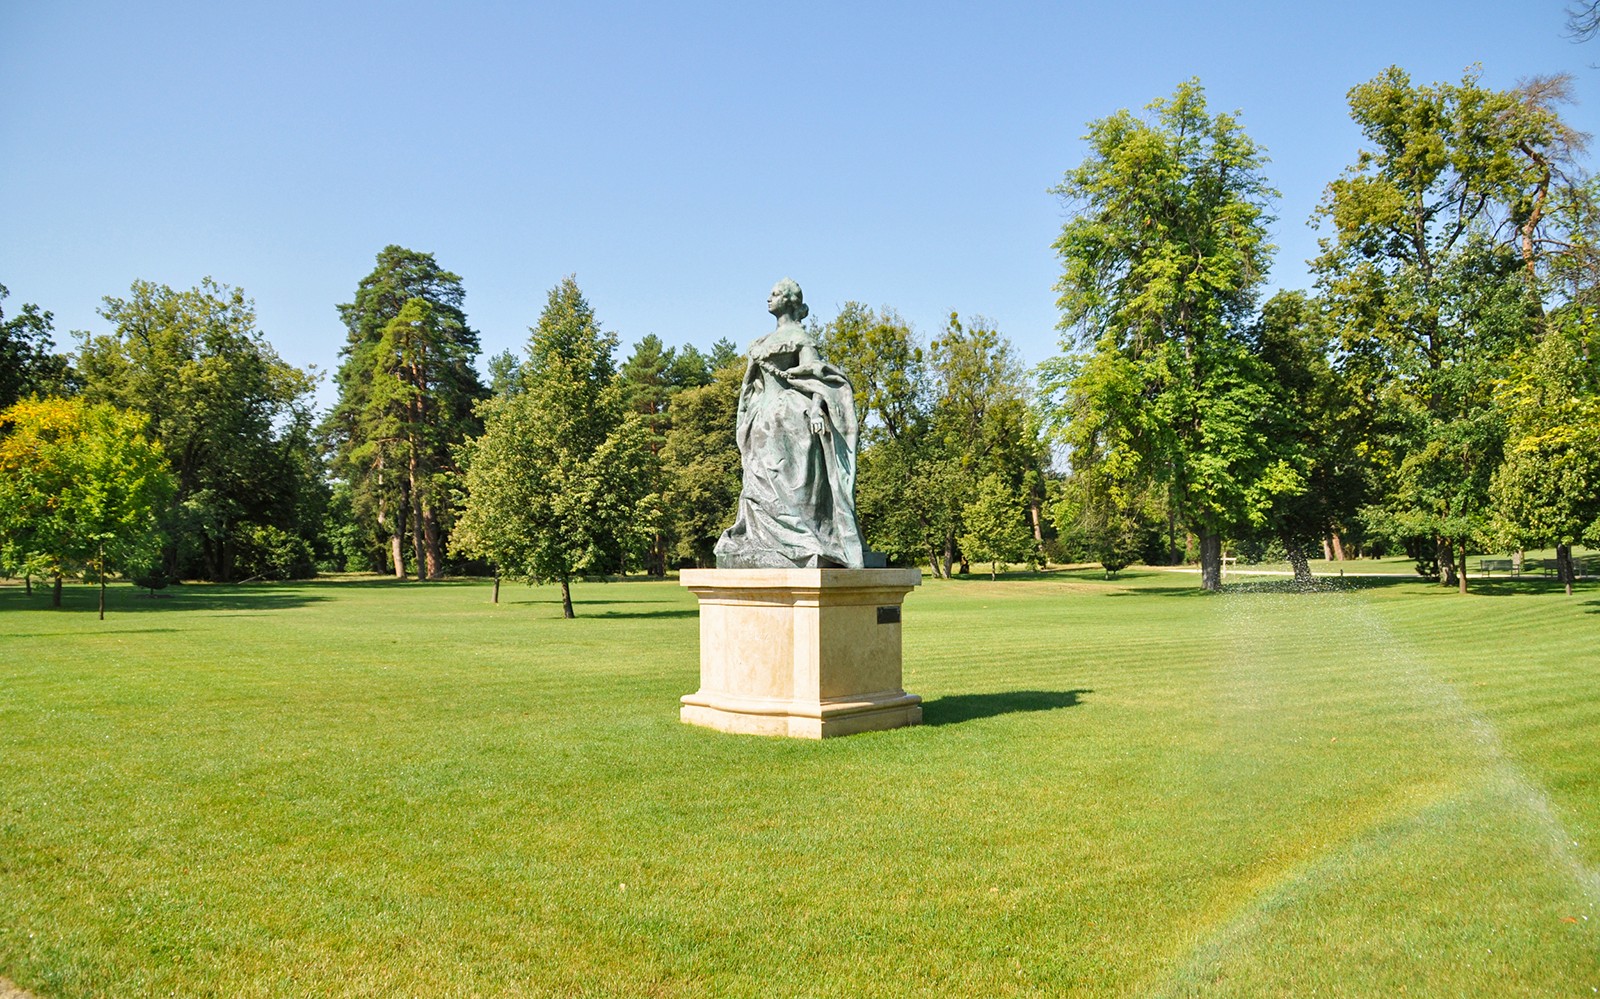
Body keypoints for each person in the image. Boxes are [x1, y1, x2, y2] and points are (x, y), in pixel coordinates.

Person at [714, 279, 867, 568]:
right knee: (758, 479)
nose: (768, 298)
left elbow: (815, 377)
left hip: (791, 418)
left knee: (793, 484)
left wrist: (818, 409)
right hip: (762, 419)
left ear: (790, 301)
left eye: (775, 294)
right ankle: (763, 541)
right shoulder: (761, 342)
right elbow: (755, 387)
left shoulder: (801, 338)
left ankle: (807, 541)